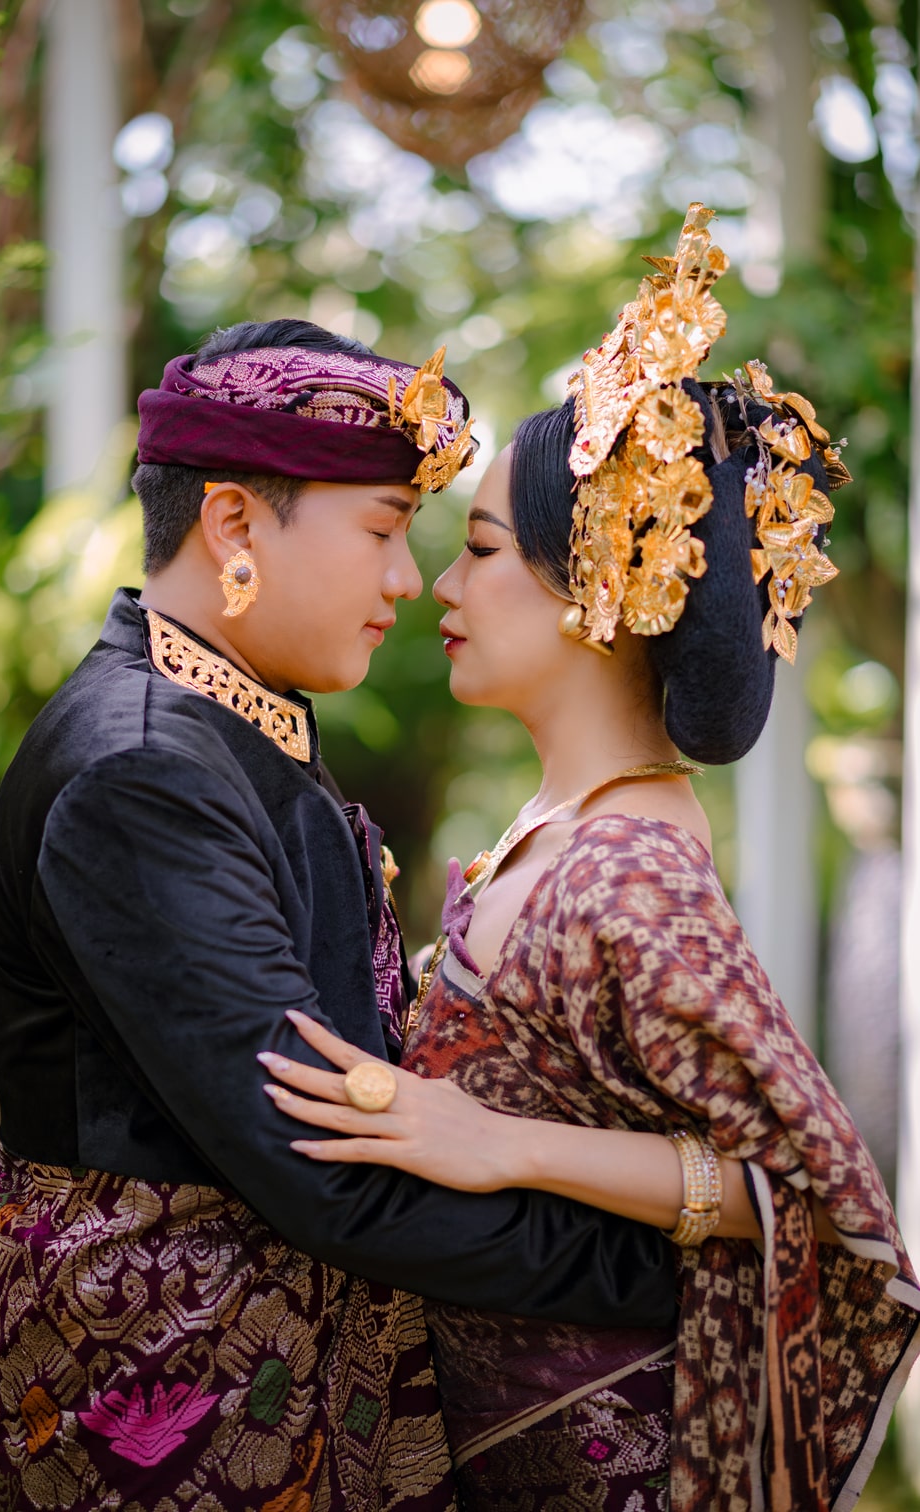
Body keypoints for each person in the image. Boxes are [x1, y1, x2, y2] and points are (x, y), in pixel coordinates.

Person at [259, 211, 920, 1512]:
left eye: (480, 550)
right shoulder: (565, 831)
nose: (438, 588)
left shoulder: (627, 872)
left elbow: (798, 1188)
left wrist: (498, 1144)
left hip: (610, 1458)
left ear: (598, 588)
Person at [0, 319, 678, 1512]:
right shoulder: (141, 773)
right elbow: (330, 1169)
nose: (408, 578)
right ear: (234, 523)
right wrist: (673, 1269)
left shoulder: (228, 728)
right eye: (384, 528)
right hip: (179, 1432)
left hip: (291, 1401)